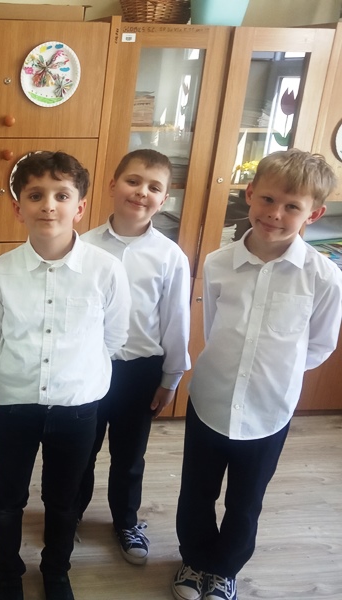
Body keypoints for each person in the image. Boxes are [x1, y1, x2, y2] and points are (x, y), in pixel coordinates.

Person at [0, 151, 131, 600]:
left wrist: (77, 374)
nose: (48, 205)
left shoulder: (106, 270)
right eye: (35, 195)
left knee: (63, 500)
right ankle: (7, 573)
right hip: (15, 405)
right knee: (7, 498)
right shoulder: (1, 272)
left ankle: (56, 571)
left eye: (61, 195)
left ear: (79, 207)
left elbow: (113, 339)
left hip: (77, 408)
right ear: (17, 207)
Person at [171, 149, 342, 600]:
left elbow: (320, 344)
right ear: (249, 194)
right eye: (267, 199)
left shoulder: (324, 278)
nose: (275, 214)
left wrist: (276, 374)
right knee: (197, 491)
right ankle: (195, 560)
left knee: (246, 501)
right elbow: (213, 329)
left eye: (292, 206)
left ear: (313, 214)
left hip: (269, 411)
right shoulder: (217, 263)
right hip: (211, 400)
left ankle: (224, 568)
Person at [75, 149, 191, 564]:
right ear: (112, 185)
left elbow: (176, 321)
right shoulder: (82, 246)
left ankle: (126, 521)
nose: (142, 192)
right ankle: (69, 514)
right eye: (133, 181)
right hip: (90, 368)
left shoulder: (170, 256)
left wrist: (170, 378)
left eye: (154, 187)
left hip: (141, 372)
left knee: (129, 456)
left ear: (164, 199)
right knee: (82, 451)